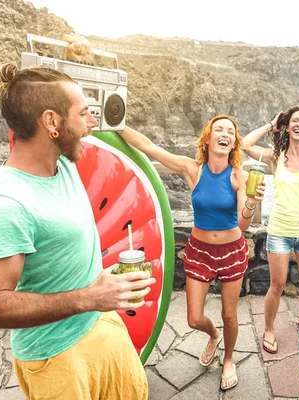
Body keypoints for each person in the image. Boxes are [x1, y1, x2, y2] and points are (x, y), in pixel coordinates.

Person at [0, 64, 154, 399]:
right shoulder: (6, 203)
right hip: (56, 355)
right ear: (52, 122)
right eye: (84, 113)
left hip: (100, 321)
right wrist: (88, 297)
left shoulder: (63, 163)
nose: (93, 123)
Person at [118, 116, 264, 391]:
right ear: (208, 138)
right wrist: (116, 126)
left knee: (230, 314)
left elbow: (243, 224)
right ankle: (213, 335)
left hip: (232, 251)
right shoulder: (192, 169)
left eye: (230, 131)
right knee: (194, 318)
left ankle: (229, 359)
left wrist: (252, 203)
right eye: (219, 129)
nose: (225, 134)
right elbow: (149, 147)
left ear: (233, 143)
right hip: (199, 251)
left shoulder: (239, 176)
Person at [242, 107, 299, 354]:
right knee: (277, 284)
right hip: (280, 229)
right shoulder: (276, 156)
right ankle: (269, 330)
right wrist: (270, 124)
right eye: (295, 120)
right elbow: (244, 144)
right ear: (287, 126)